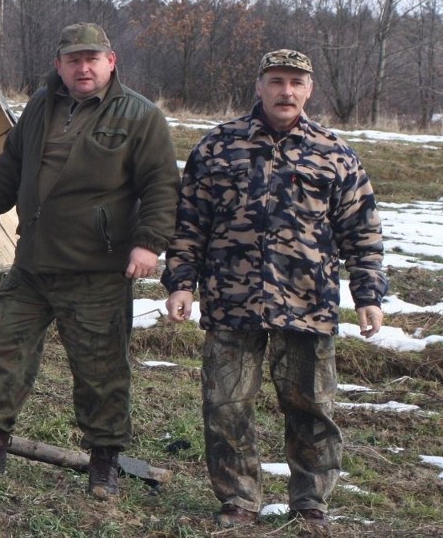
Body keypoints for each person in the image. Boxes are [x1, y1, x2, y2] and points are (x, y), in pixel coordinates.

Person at [0, 22, 180, 501]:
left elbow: (161, 187)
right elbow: (12, 165)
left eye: (92, 58)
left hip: (96, 270)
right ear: (59, 65)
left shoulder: (140, 117)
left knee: (100, 369)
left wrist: (148, 243)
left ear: (111, 61)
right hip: (33, 261)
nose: (83, 68)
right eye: (73, 59)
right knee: (3, 346)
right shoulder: (41, 106)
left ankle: (103, 460)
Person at [161, 49, 387, 536]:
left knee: (313, 408)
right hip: (231, 301)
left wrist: (369, 294)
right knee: (226, 406)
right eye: (277, 81)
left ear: (310, 90)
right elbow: (189, 225)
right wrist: (181, 282)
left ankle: (310, 503)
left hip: (308, 303)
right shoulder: (217, 147)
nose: (286, 91)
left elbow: (361, 232)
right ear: (259, 86)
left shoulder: (334, 153)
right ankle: (239, 499)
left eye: (296, 82)